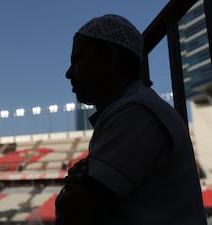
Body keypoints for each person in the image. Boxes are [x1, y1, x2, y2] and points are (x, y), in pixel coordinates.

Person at [55, 14, 207, 225]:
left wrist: (73, 187)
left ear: (109, 58)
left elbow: (73, 210)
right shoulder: (136, 108)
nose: (69, 73)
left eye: (77, 59)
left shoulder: (135, 112)